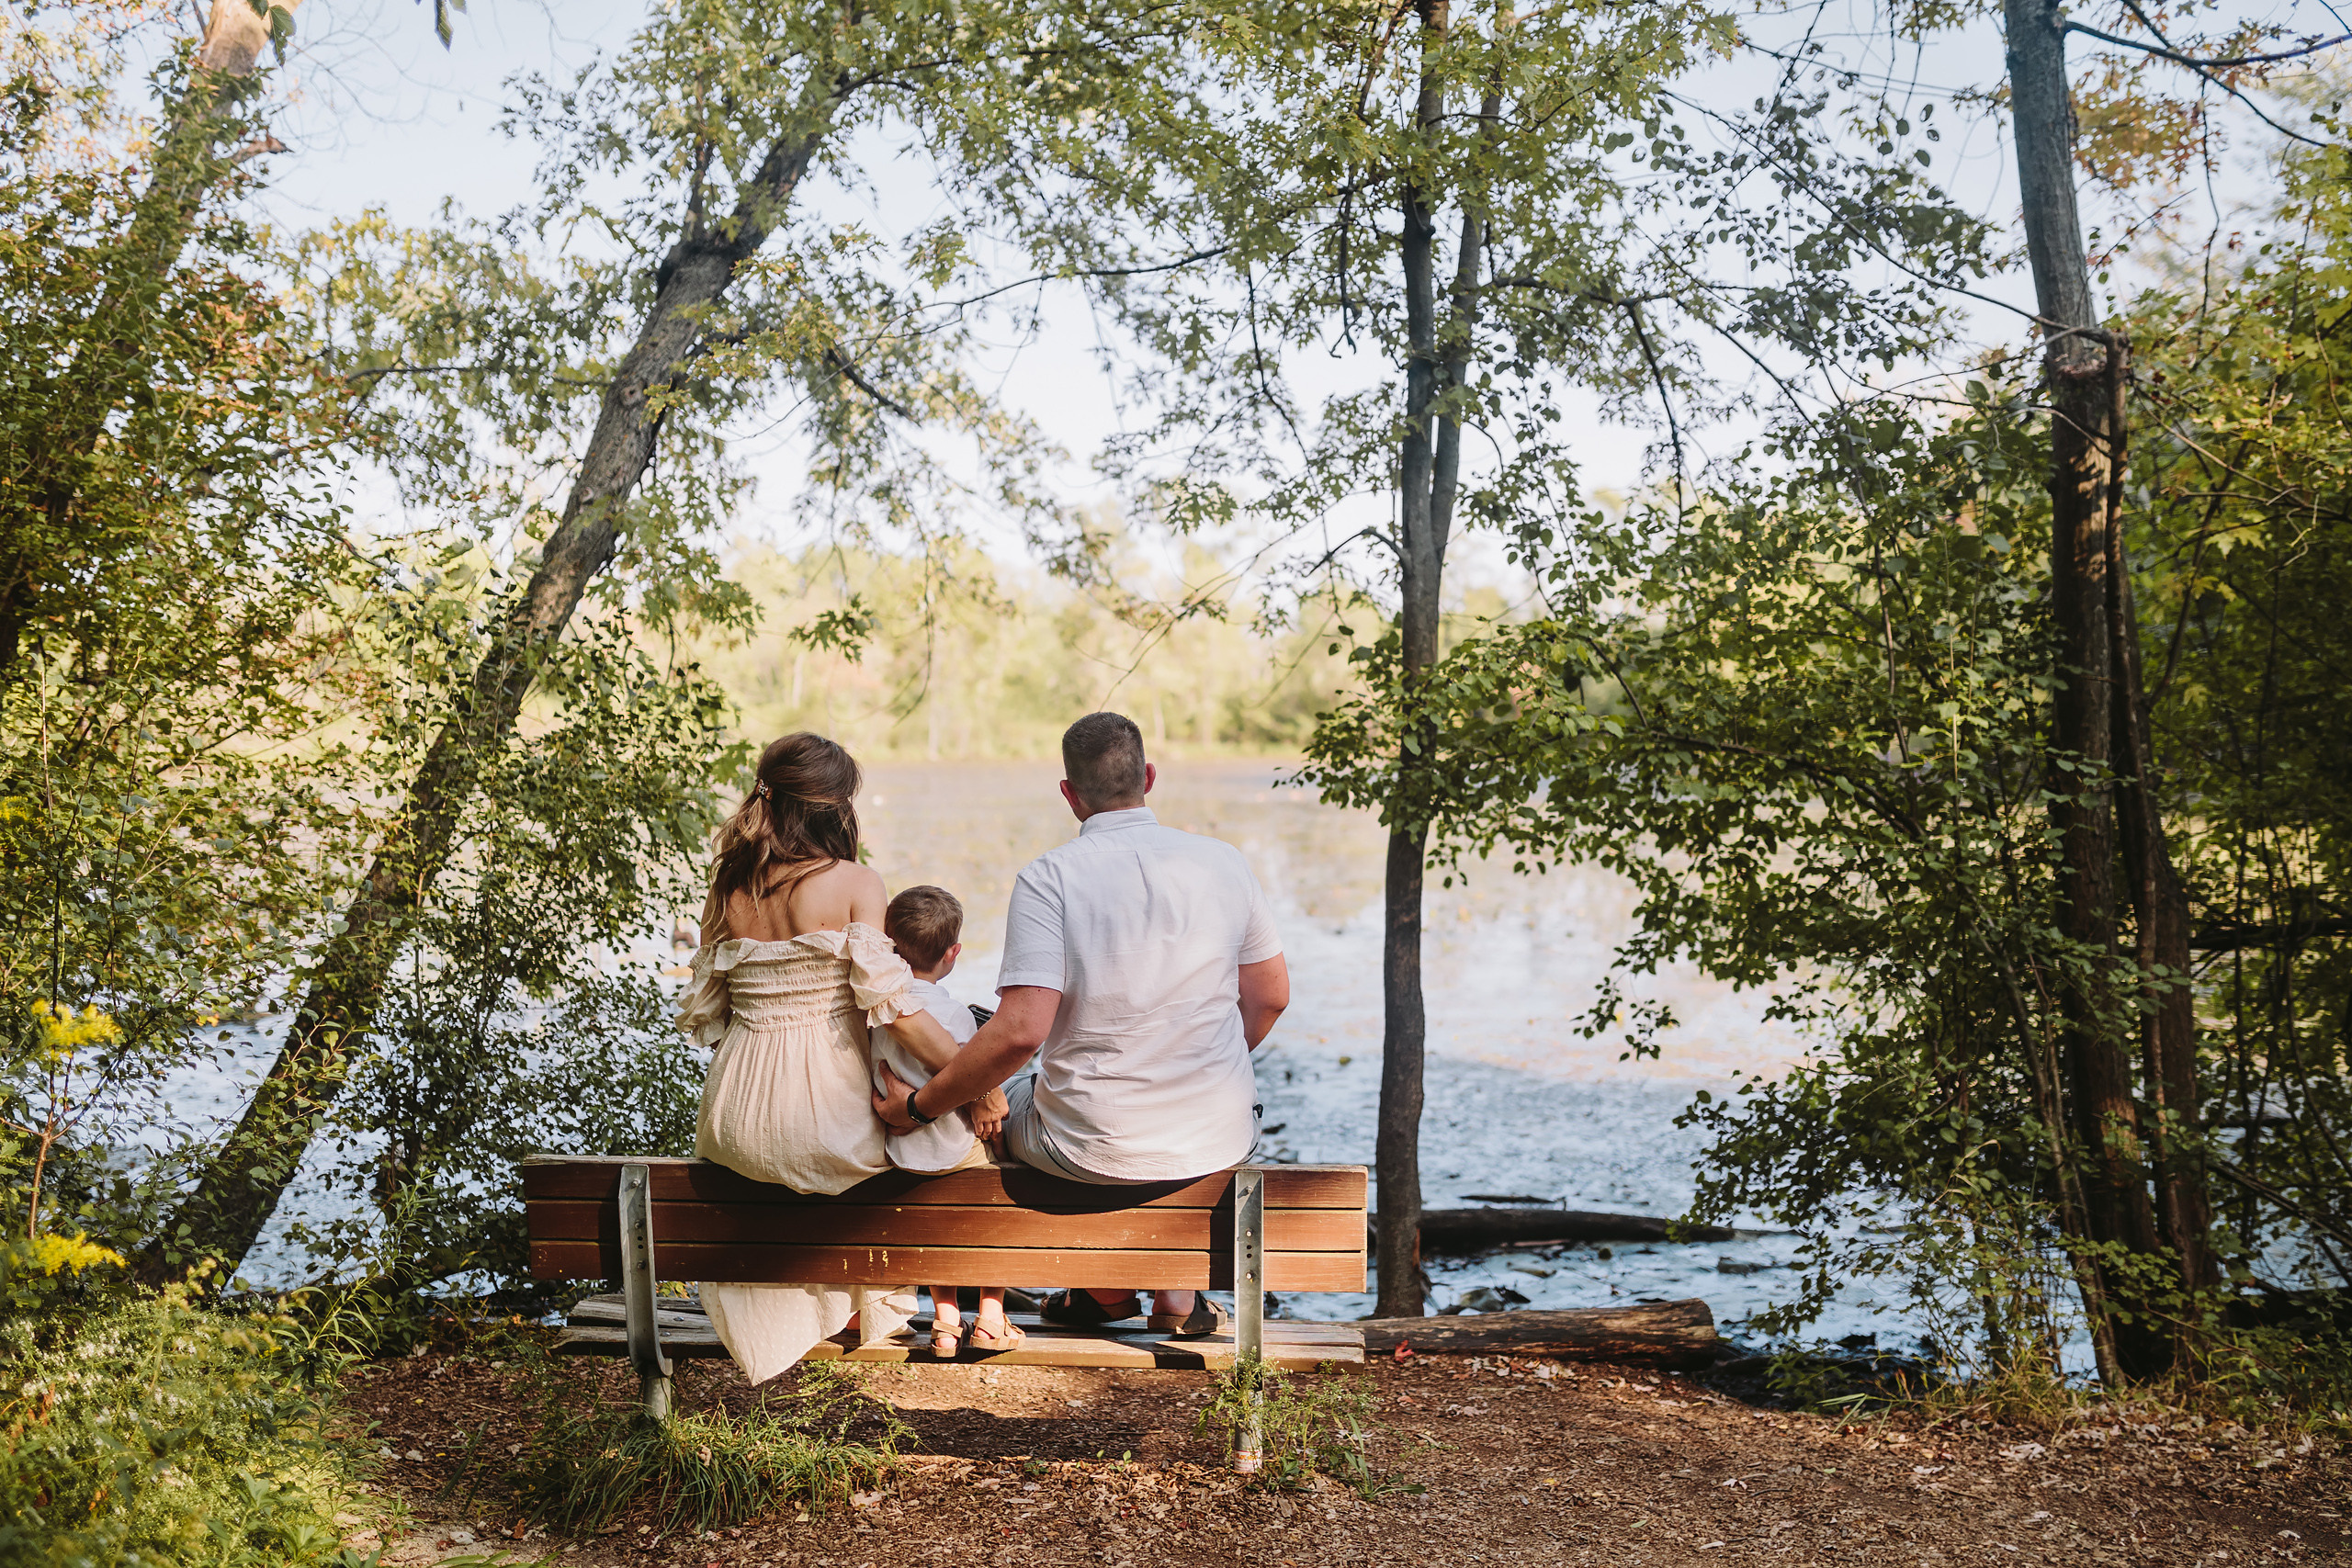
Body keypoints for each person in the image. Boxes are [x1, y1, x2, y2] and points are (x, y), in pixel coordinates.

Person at [874, 711, 1290, 1337]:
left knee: (1002, 1099)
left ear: (1070, 795)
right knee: (1140, 1121)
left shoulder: (1050, 877)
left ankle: (1098, 1288)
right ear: (1148, 776)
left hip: (1084, 1146)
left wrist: (922, 1107)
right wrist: (1198, 1057)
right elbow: (1271, 997)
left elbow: (1019, 1031)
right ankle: (1166, 1296)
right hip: (1216, 1135)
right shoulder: (1223, 863)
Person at [680, 732, 1006, 1383]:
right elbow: (901, 1011)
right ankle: (960, 1309)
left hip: (734, 1115)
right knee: (952, 1146)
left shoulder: (731, 882)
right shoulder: (855, 881)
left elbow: (711, 1013)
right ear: (834, 806)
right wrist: (976, 1084)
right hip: (823, 1112)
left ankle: (846, 1301)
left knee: (809, 1158)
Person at [874, 884, 1024, 1355]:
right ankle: (992, 1319)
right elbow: (971, 1080)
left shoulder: (877, 1013)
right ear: (952, 953)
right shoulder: (957, 1016)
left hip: (904, 1155)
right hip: (958, 1149)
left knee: (937, 1224)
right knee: (993, 1212)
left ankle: (944, 1320)